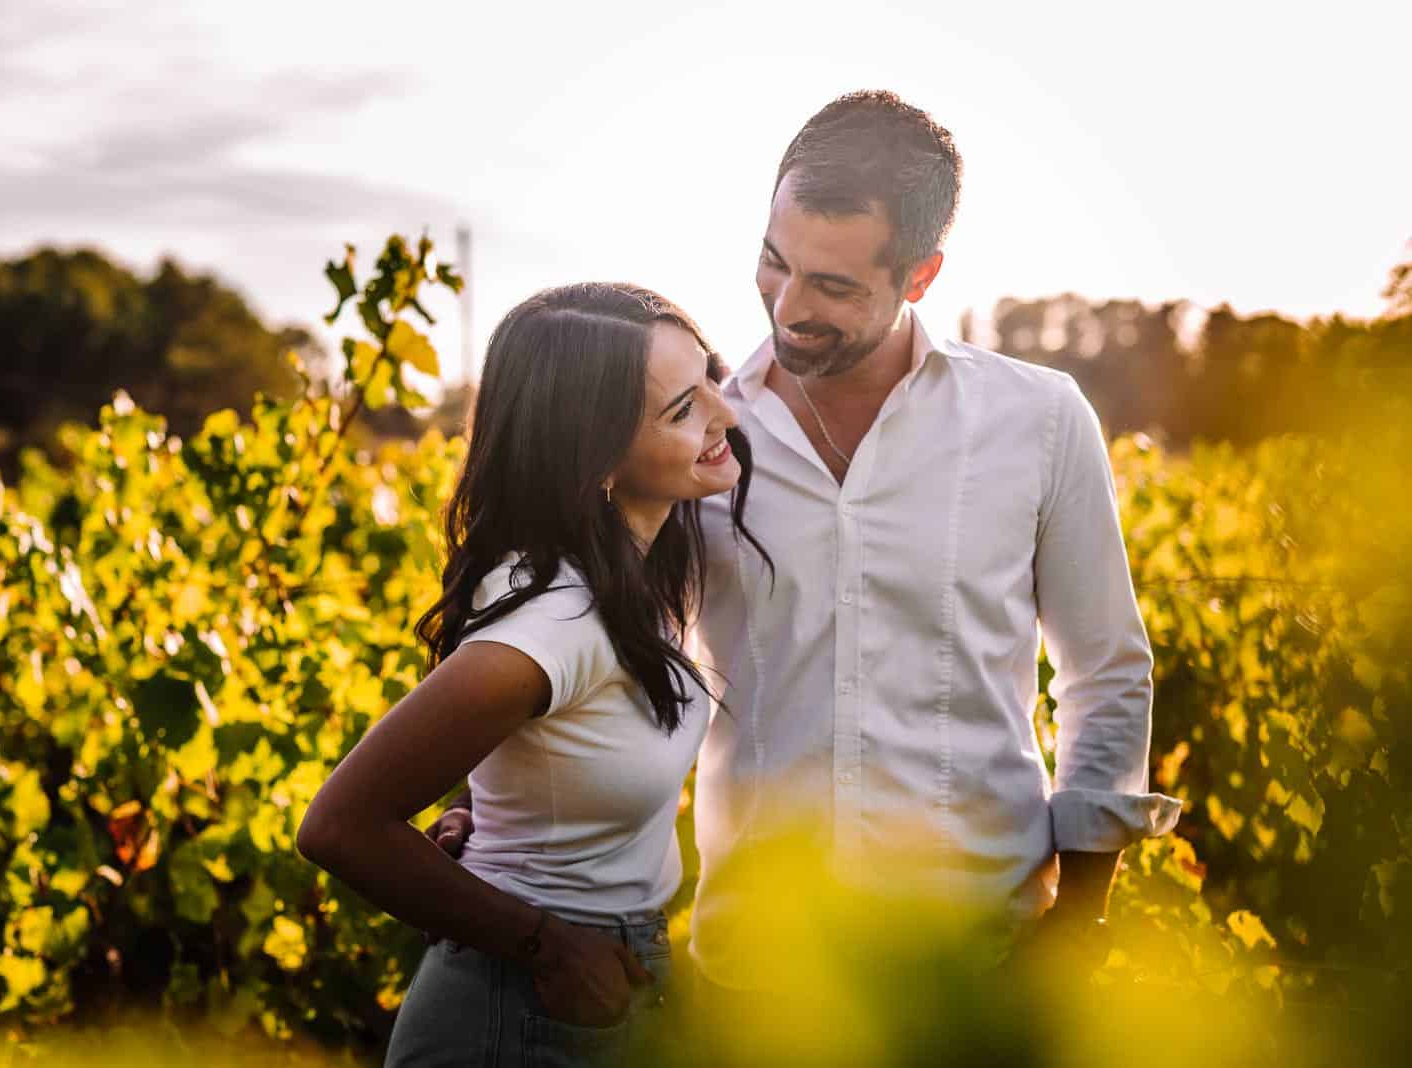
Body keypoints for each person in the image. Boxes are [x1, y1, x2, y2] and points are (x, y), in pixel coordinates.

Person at [431, 90, 1183, 1002]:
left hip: (983, 956)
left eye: (831, 286)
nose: (788, 309)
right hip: (760, 970)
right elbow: (562, 600)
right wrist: (481, 791)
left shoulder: (1039, 420)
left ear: (919, 275)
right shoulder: (691, 431)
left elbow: (1104, 670)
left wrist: (1080, 918)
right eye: (772, 263)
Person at [296, 282, 770, 1066]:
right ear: (594, 456)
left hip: (591, 987)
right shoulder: (559, 619)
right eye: (683, 410)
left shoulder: (639, 573)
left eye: (711, 379)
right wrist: (550, 947)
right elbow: (340, 826)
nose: (724, 414)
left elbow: (527, 745)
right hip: (519, 1012)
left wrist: (468, 804)